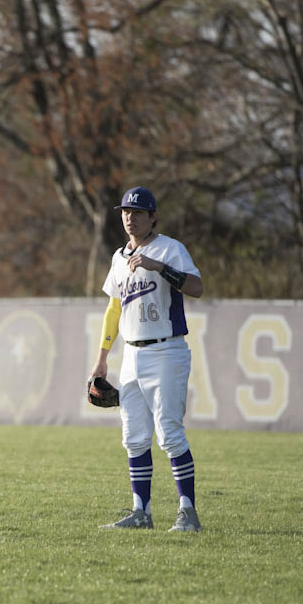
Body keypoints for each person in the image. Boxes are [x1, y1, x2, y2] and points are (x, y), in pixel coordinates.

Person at [89, 186, 204, 532]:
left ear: (153, 217)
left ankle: (188, 513)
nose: (130, 217)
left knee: (169, 433)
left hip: (167, 350)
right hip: (132, 355)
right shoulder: (118, 258)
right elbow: (114, 308)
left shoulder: (170, 248)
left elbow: (197, 287)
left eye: (138, 212)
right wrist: (102, 358)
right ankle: (142, 512)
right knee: (135, 436)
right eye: (125, 211)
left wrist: (160, 267)